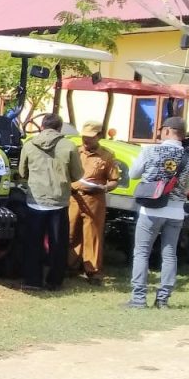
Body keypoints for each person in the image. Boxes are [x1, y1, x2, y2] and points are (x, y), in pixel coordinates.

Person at [126, 116, 189, 309]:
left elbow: (133, 174)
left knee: (141, 253)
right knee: (169, 255)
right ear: (182, 135)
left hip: (150, 210)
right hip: (175, 212)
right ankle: (163, 299)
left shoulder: (150, 151)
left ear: (166, 131)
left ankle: (139, 299)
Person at [18, 113, 82, 291]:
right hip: (59, 201)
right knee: (58, 244)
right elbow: (77, 175)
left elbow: (22, 173)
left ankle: (32, 280)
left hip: (35, 200)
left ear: (42, 126)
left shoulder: (29, 144)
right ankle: (54, 281)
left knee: (33, 242)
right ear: (60, 128)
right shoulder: (69, 146)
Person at [68, 121, 119, 285]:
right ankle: (70, 266)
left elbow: (114, 180)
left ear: (99, 136)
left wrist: (104, 187)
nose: (86, 140)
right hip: (74, 197)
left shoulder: (107, 156)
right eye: (84, 136)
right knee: (71, 232)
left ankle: (93, 272)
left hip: (94, 198)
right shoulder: (75, 152)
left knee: (93, 235)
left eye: (90, 137)